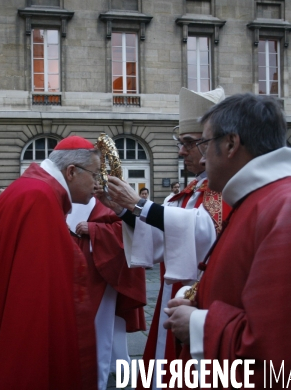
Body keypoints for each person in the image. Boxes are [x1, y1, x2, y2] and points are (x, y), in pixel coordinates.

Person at [163, 93, 291, 388]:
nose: (200, 156)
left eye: (203, 144)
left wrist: (198, 325)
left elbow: (288, 348)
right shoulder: (266, 198)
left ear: (230, 144)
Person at [0, 136, 101, 389]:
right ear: (71, 171)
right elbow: (29, 307)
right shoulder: (40, 198)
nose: (97, 183)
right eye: (95, 174)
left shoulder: (33, 189)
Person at [99, 87, 230, 388]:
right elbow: (160, 236)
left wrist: (140, 204)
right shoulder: (186, 192)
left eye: (187, 143)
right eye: (180, 143)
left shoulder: (226, 190)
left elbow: (204, 232)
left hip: (206, 299)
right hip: (173, 296)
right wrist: (124, 211)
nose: (180, 151)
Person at [67, 197, 146, 389]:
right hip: (69, 271)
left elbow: (128, 230)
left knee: (102, 328)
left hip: (101, 274)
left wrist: (94, 230)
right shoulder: (63, 201)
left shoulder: (108, 203)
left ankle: (99, 378)